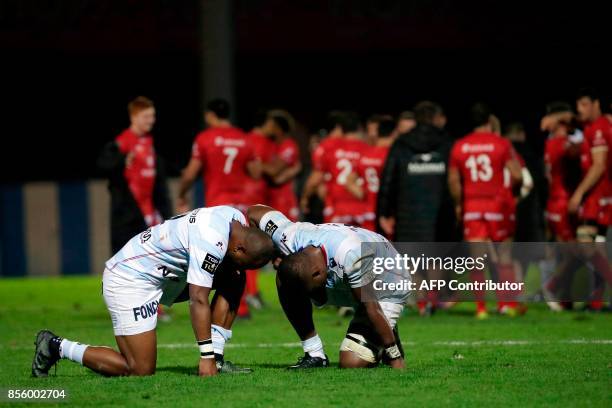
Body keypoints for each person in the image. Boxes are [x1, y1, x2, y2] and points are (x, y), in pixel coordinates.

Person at [32, 206, 275, 378]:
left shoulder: (234, 219)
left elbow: (255, 214)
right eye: (245, 261)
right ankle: (55, 346)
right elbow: (198, 299)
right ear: (240, 248)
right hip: (130, 279)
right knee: (138, 369)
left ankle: (218, 360)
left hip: (166, 275)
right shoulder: (211, 240)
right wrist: (205, 357)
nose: (244, 266)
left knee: (234, 275)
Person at [247, 205, 407, 370]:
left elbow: (371, 307)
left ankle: (388, 333)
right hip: (347, 279)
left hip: (387, 282)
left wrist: (395, 358)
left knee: (351, 362)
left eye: (309, 289)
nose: (308, 296)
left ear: (317, 273)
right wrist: (272, 253)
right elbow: (254, 211)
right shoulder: (288, 237)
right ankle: (314, 353)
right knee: (285, 277)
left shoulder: (351, 255)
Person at [448, 103, 523, 318]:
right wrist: (514, 193)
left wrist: (459, 204)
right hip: (497, 206)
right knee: (504, 254)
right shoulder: (501, 144)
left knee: (477, 259)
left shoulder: (460, 146)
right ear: (489, 121)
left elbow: (454, 181)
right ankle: (506, 305)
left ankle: (481, 308)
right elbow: (517, 176)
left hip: (473, 206)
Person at [97, 96, 171, 253]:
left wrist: (167, 215)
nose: (151, 120)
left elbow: (160, 186)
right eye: (146, 116)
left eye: (153, 116)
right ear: (133, 117)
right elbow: (102, 166)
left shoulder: (150, 145)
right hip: (127, 218)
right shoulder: (121, 143)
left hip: (149, 216)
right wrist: (122, 160)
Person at [177, 98, 261, 213]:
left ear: (210, 115)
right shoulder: (244, 138)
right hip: (242, 205)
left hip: (217, 204)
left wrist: (182, 194)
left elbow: (190, 175)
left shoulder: (205, 138)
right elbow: (256, 174)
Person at [302, 112, 368, 226]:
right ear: (359, 128)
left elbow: (316, 177)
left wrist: (305, 197)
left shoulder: (328, 146)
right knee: (363, 242)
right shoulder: (368, 148)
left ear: (340, 128)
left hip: (336, 206)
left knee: (335, 242)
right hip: (362, 206)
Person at [346, 118, 396, 232]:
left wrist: (365, 195)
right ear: (394, 133)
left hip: (368, 211)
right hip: (386, 212)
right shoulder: (391, 155)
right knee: (390, 248)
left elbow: (349, 181)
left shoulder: (365, 153)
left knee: (369, 248)